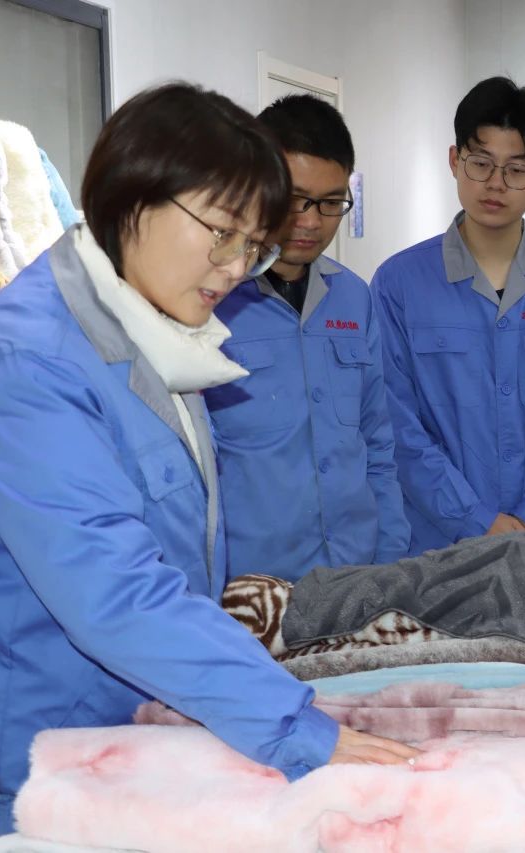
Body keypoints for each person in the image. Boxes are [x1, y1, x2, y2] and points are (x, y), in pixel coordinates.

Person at [0, 83, 416, 842]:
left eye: (253, 244)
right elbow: (117, 591)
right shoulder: (28, 364)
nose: (237, 267)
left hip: (130, 732)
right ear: (132, 197)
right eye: (223, 233)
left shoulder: (158, 333)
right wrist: (294, 726)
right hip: (33, 769)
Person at [371, 76, 525, 555]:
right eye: (480, 163)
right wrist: (475, 520)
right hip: (434, 547)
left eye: (517, 169)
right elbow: (394, 423)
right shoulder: (398, 284)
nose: (496, 184)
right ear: (454, 160)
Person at [206, 94, 410, 581]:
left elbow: (376, 444)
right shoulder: (210, 300)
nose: (312, 220)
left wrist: (390, 561)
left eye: (331, 202)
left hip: (355, 573)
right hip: (252, 587)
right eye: (295, 198)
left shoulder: (354, 298)